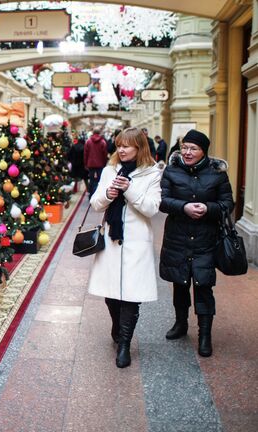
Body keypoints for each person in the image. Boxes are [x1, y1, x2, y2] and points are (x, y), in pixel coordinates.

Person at [87, 127, 162, 368]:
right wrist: (108, 194)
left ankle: (125, 345)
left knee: (131, 296)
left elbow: (152, 208)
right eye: (119, 144)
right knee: (111, 295)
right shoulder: (110, 170)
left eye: (127, 145)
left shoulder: (152, 173)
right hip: (111, 240)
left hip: (136, 241)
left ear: (139, 147)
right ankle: (117, 326)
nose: (121, 149)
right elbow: (96, 204)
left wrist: (129, 189)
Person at [159, 129, 233, 357]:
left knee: (203, 286)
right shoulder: (171, 171)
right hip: (178, 237)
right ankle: (180, 324)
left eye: (194, 148)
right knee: (180, 283)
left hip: (205, 239)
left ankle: (205, 336)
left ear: (204, 152)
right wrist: (184, 207)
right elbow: (161, 201)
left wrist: (208, 208)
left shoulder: (218, 174)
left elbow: (228, 203)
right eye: (185, 147)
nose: (188, 152)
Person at [84, 127, 108, 196]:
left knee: (92, 181)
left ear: (93, 132)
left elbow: (85, 154)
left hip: (90, 164)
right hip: (100, 164)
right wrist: (104, 163)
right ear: (99, 133)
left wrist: (85, 164)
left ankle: (91, 195)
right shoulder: (103, 142)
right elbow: (105, 154)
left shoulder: (88, 141)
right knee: (100, 180)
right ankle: (98, 195)